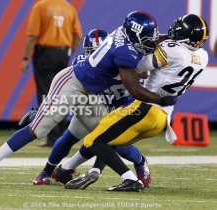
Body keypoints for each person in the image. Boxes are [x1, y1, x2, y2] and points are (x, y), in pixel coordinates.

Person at [0, 11, 177, 188]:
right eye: (145, 39)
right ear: (133, 35)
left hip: (90, 92)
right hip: (73, 83)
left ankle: (65, 170)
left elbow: (149, 42)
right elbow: (134, 90)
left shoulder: (126, 36)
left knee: (103, 134)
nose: (149, 43)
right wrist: (162, 100)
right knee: (40, 129)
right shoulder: (124, 50)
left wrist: (172, 38)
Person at [63, 14, 209, 192]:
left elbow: (139, 66)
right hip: (162, 118)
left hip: (145, 108)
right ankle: (73, 170)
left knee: (94, 140)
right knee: (108, 139)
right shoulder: (203, 56)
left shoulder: (171, 50)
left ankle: (130, 179)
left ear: (184, 34)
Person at [29, 29, 151, 188]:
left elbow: (138, 88)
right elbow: (69, 91)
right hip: (94, 104)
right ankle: (48, 172)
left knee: (116, 143)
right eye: (91, 53)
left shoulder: (126, 62)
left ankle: (139, 162)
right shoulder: (82, 63)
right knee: (69, 137)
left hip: (120, 105)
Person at [21, 0, 83, 147]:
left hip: (45, 53)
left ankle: (53, 137)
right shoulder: (69, 8)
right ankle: (61, 135)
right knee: (61, 94)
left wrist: (25, 57)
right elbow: (78, 36)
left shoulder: (41, 6)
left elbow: (32, 35)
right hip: (63, 53)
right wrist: (68, 52)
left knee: (46, 94)